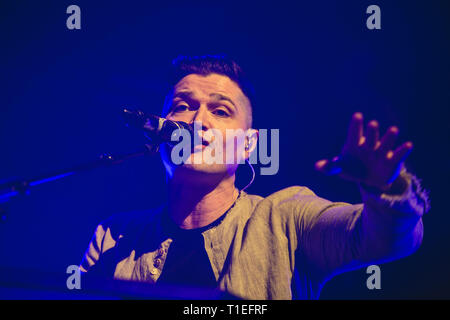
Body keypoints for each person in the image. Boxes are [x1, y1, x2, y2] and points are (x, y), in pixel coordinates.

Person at [79, 55, 430, 299]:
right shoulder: (115, 235)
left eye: (220, 110)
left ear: (249, 145)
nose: (196, 121)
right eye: (182, 106)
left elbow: (386, 239)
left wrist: (385, 190)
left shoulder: (287, 217)